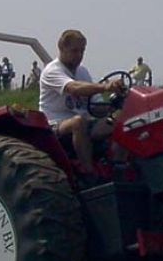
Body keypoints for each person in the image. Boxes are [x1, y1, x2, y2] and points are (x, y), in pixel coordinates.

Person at [39, 29, 124, 177]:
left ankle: (119, 167)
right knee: (78, 122)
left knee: (121, 121)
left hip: (86, 119)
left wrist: (115, 105)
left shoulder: (82, 72)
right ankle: (89, 173)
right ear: (62, 48)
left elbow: (95, 106)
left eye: (82, 51)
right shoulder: (52, 71)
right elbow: (73, 88)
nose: (79, 55)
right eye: (74, 51)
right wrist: (105, 86)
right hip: (55, 124)